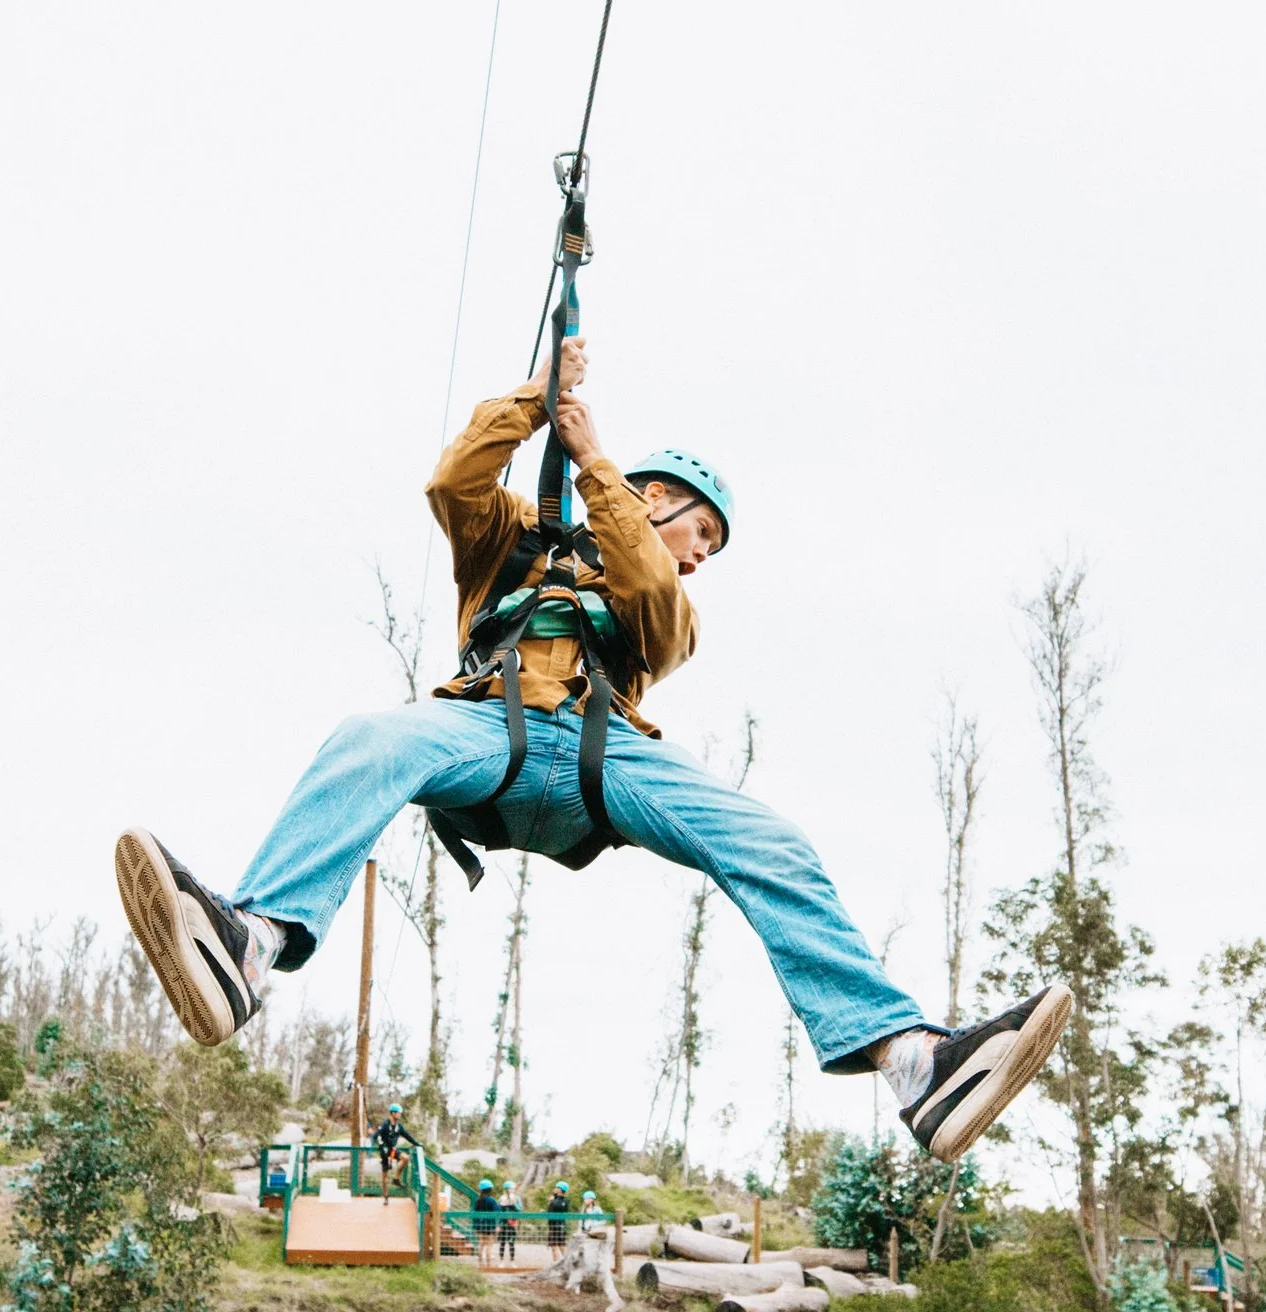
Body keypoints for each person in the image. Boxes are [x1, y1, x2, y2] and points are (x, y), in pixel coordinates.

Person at [113, 336, 1071, 1165]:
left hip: (603, 758)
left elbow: (647, 583)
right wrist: (538, 398)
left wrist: (592, 461)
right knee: (370, 740)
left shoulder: (670, 608)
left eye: (710, 549)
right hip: (487, 728)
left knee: (770, 841)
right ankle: (254, 942)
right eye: (699, 531)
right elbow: (454, 482)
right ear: (658, 497)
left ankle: (913, 1062)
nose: (699, 557)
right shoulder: (511, 540)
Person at [370, 1102, 412, 1189]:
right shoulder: (385, 1124)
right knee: (384, 1178)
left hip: (392, 1150)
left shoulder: (398, 1126)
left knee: (405, 1158)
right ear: (393, 1113)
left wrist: (416, 1143)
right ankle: (385, 1195)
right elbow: (376, 1137)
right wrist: (382, 1146)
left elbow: (407, 1136)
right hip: (384, 1151)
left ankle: (396, 1178)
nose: (400, 1115)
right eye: (399, 1113)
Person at [545, 1179, 574, 1258]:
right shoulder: (566, 1201)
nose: (554, 1189)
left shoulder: (554, 1201)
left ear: (560, 1190)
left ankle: (558, 1262)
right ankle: (566, 1261)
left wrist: (551, 1201)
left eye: (556, 1187)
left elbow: (550, 1212)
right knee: (562, 1245)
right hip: (562, 1225)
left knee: (554, 1246)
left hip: (554, 1226)